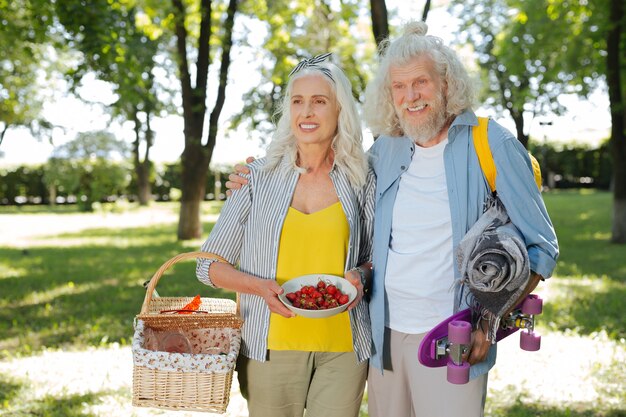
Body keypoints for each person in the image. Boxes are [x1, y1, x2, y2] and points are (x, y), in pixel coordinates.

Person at [226, 21, 559, 417]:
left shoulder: (493, 144)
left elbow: (542, 248)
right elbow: (343, 188)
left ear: (447, 84)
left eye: (421, 82)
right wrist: (257, 173)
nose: (410, 96)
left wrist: (489, 320)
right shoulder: (385, 150)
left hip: (453, 333)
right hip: (383, 337)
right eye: (398, 87)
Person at [195, 53, 375, 417]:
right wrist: (260, 287)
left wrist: (362, 276)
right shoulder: (255, 178)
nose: (306, 112)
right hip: (269, 347)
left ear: (340, 110)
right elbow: (207, 267)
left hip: (344, 346)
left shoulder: (361, 178)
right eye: (298, 101)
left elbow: (377, 256)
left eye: (319, 101)